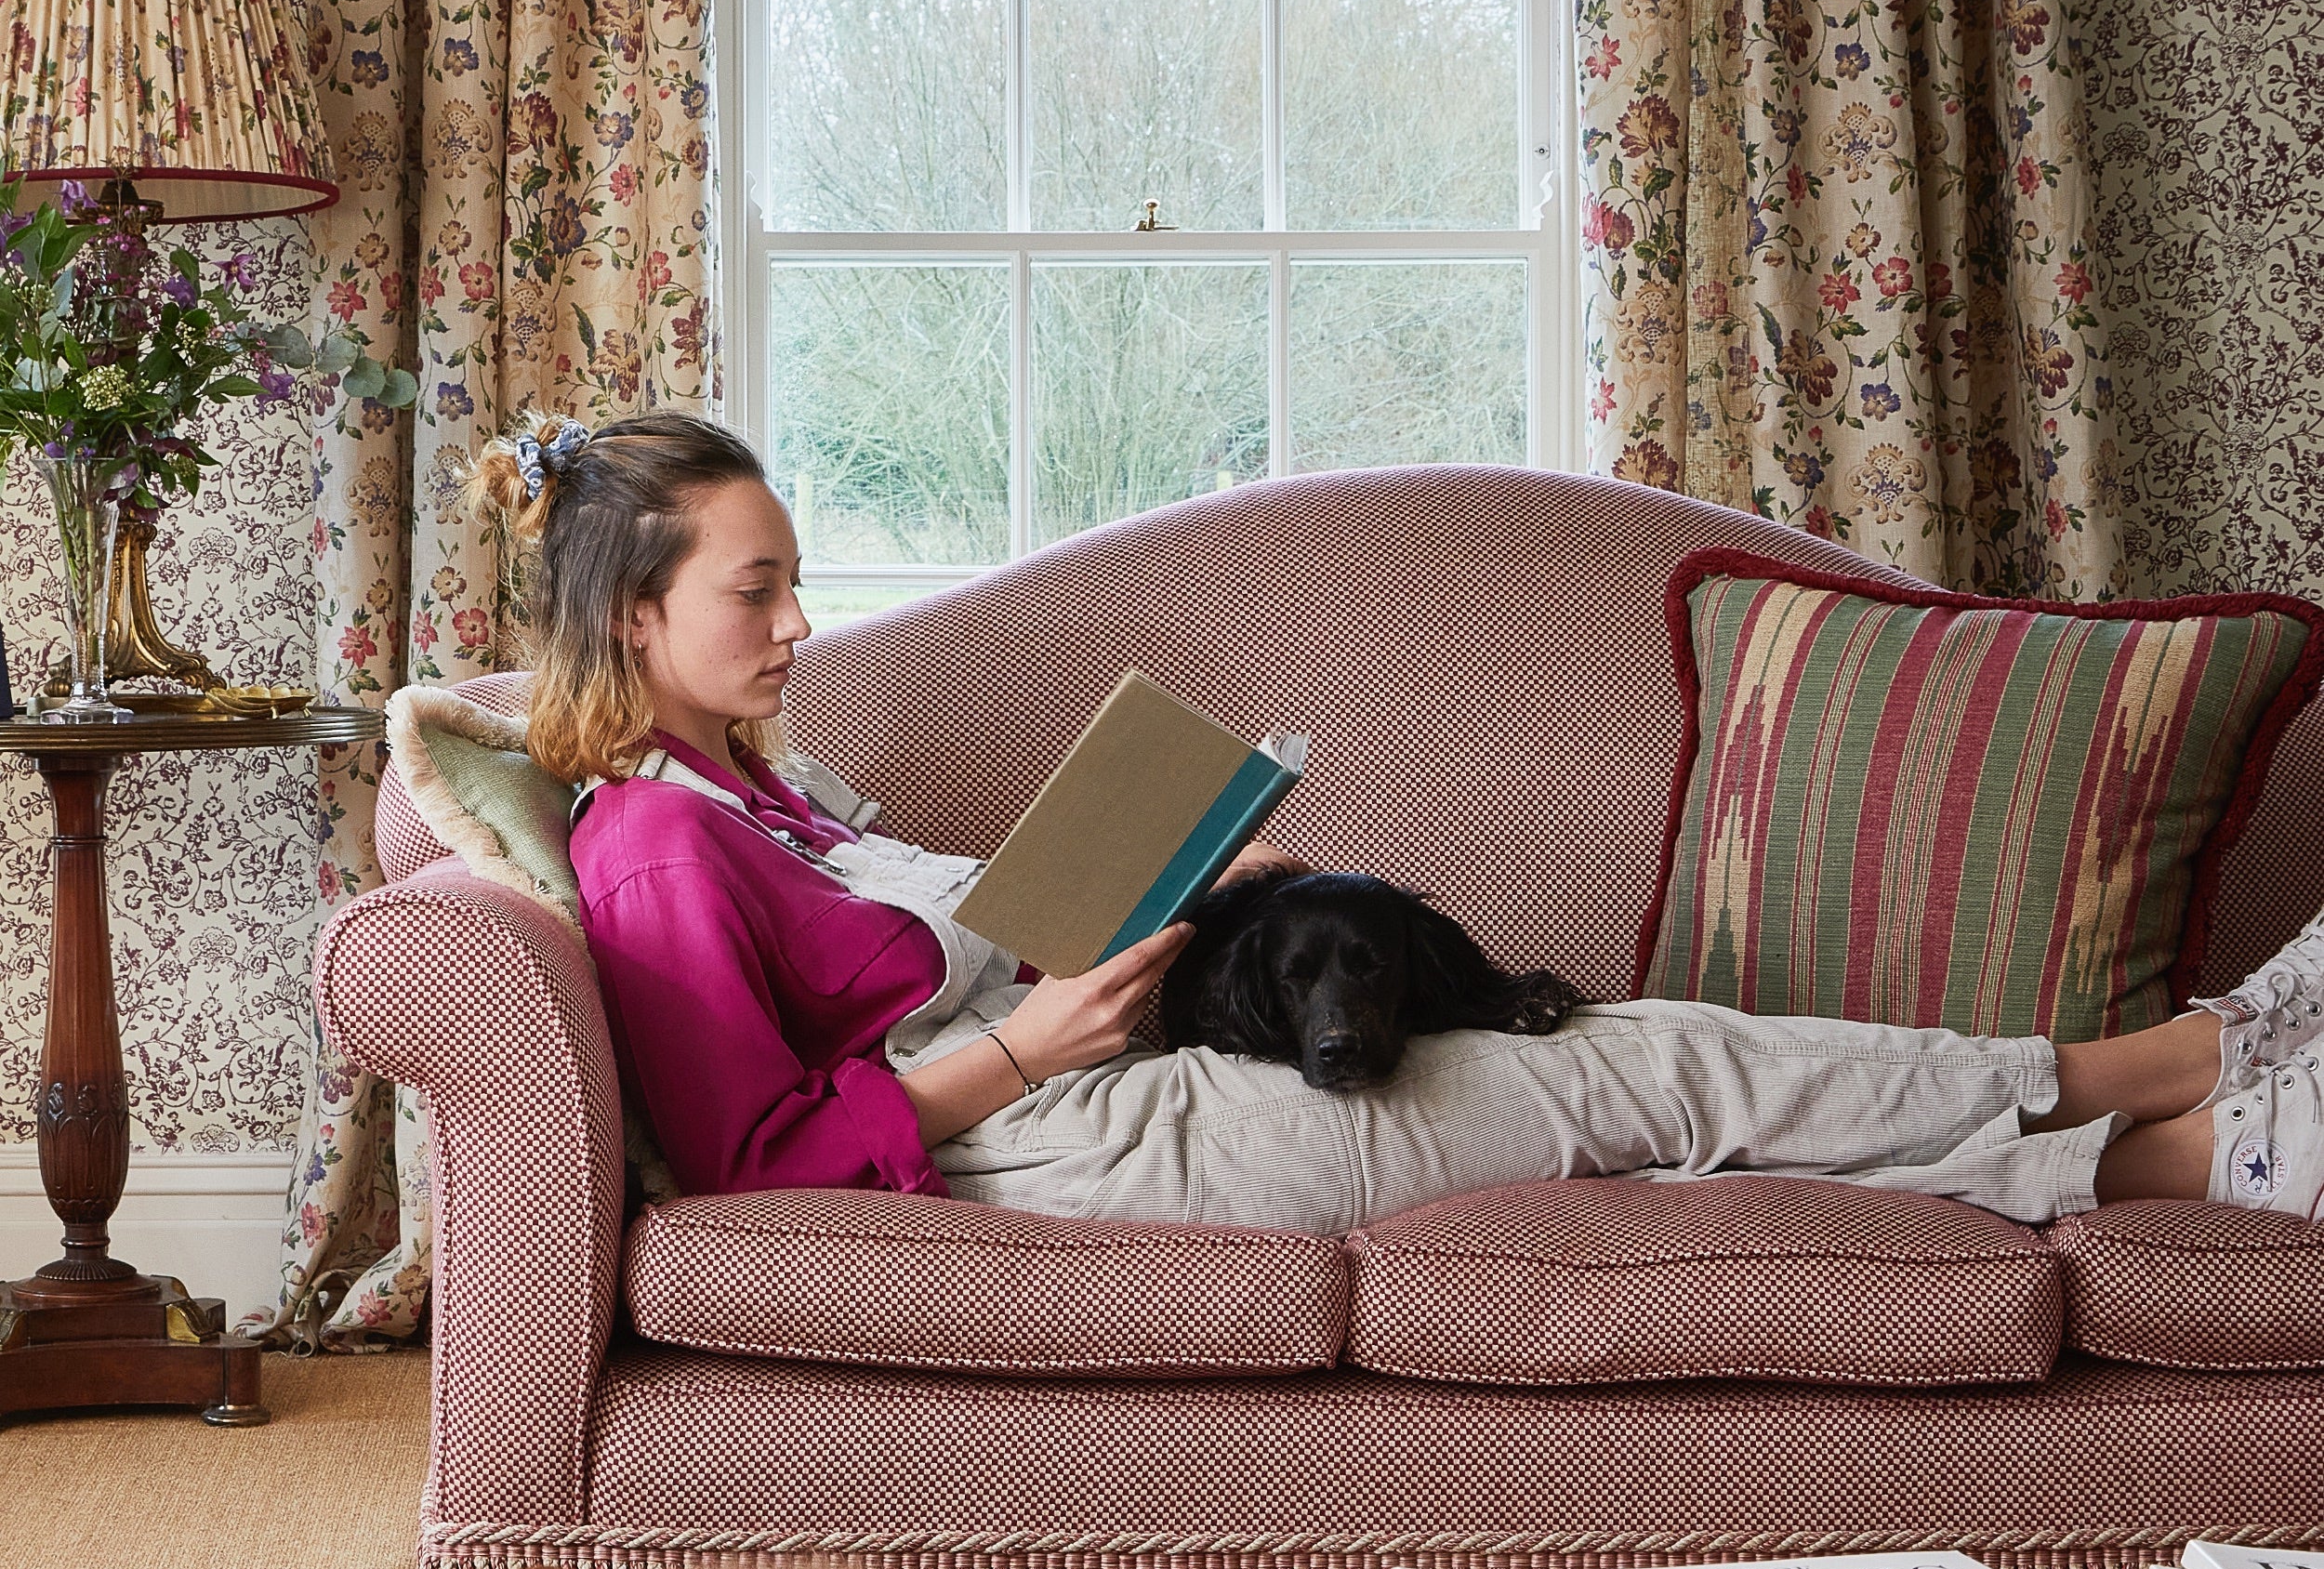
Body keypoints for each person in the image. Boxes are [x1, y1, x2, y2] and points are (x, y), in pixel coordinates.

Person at [462, 410, 2324, 1237]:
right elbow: (750, 1170)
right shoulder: (656, 846)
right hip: (1045, 1143)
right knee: (1631, 1084)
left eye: (797, 584)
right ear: (634, 612)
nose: (799, 627)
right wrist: (1022, 1047)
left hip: (1075, 1059)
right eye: (757, 592)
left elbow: (948, 947)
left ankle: (2203, 1149)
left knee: (1630, 1064)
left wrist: (1169, 882)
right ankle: (2174, 1060)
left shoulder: (767, 797)